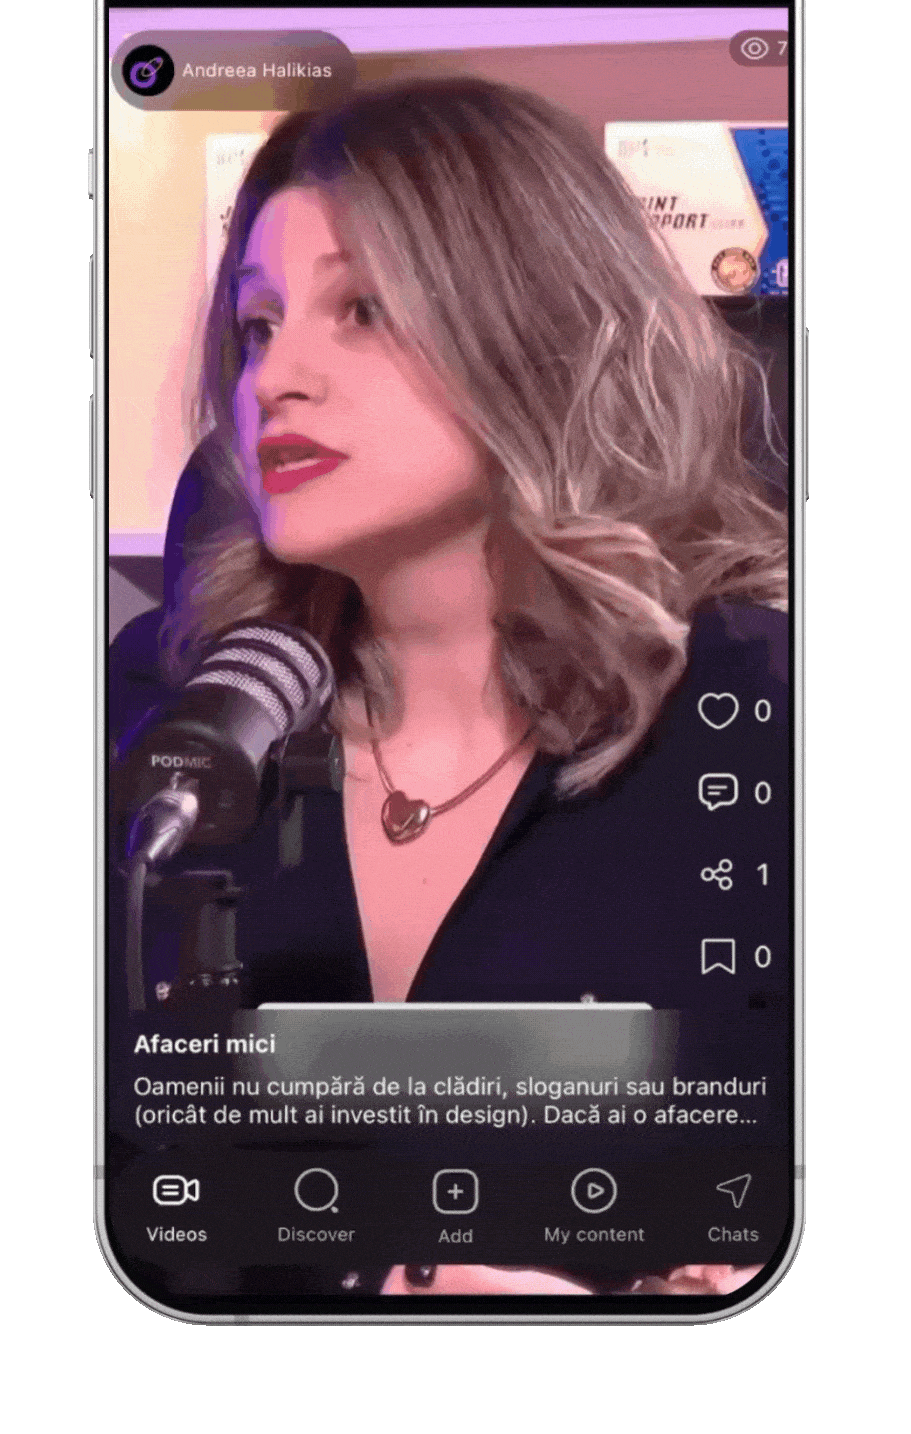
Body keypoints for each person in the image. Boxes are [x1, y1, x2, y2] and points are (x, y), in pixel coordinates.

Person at [114, 75, 788, 1299]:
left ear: (538, 331)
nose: (275, 379)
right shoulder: (160, 720)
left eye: (363, 309)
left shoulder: (767, 727)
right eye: (258, 326)